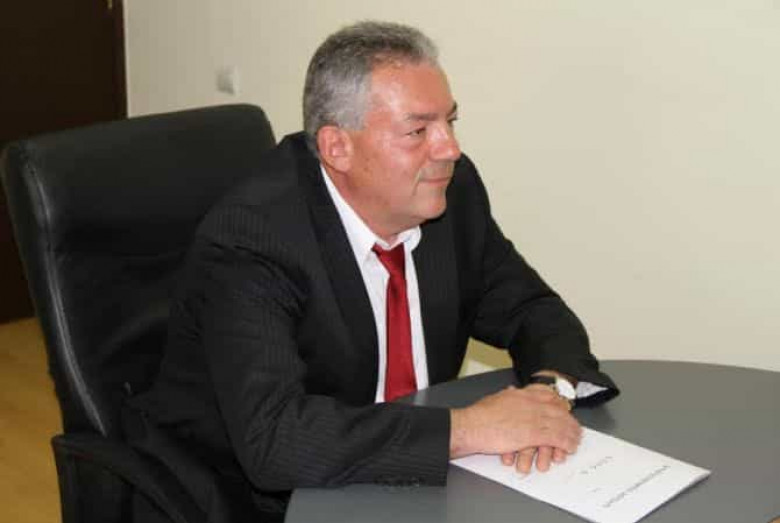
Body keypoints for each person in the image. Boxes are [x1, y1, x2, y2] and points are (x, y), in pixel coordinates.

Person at [127, 20, 618, 522]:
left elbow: (533, 309)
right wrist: (469, 428)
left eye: (450, 121)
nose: (449, 149)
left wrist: (549, 394)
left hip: (408, 482)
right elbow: (275, 440)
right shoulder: (252, 240)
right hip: (258, 502)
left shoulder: (450, 193)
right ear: (337, 147)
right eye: (418, 131)